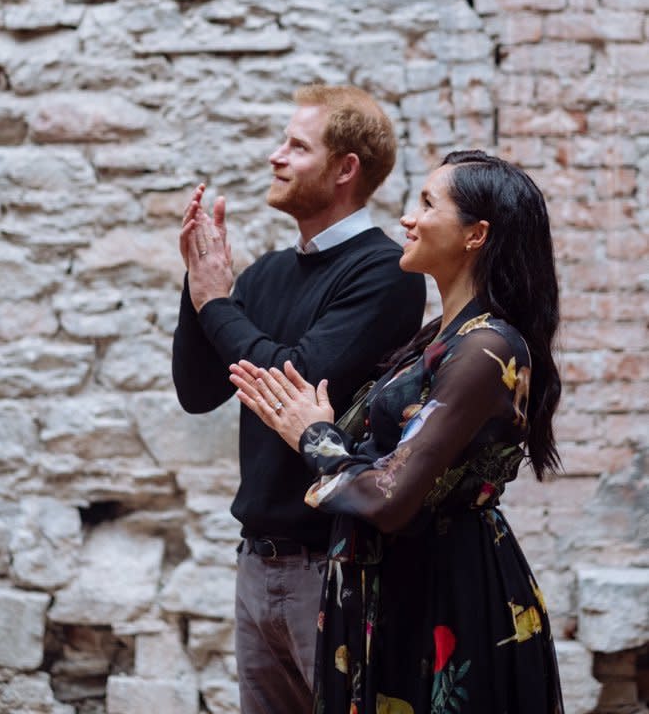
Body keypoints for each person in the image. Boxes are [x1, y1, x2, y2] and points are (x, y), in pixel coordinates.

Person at [231, 150, 565, 714]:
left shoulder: (488, 348)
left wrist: (313, 434)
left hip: (445, 593)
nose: (408, 219)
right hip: (401, 580)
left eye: (428, 203)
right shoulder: (441, 336)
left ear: (475, 235)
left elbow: (390, 496)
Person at [172, 84, 426, 714]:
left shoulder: (384, 273)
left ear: (345, 169)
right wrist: (197, 283)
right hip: (257, 561)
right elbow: (197, 391)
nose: (274, 156)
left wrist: (217, 303)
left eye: (296, 145)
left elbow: (291, 381)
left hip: (332, 565)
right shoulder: (262, 276)